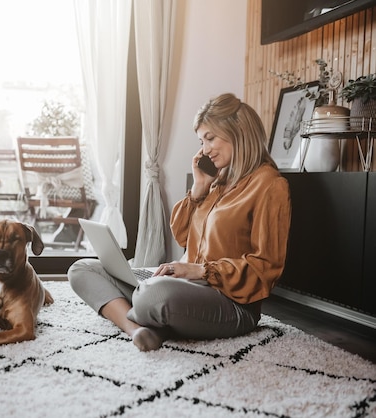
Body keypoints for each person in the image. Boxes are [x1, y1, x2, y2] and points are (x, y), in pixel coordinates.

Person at [67, 93, 291, 351]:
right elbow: (182, 237)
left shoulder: (271, 185)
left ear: (238, 131)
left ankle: (140, 309)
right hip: (187, 288)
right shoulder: (217, 180)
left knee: (153, 295)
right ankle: (137, 329)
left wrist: (201, 271)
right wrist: (199, 188)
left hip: (231, 303)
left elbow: (266, 268)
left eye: (210, 138)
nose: (204, 150)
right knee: (82, 269)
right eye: (201, 141)